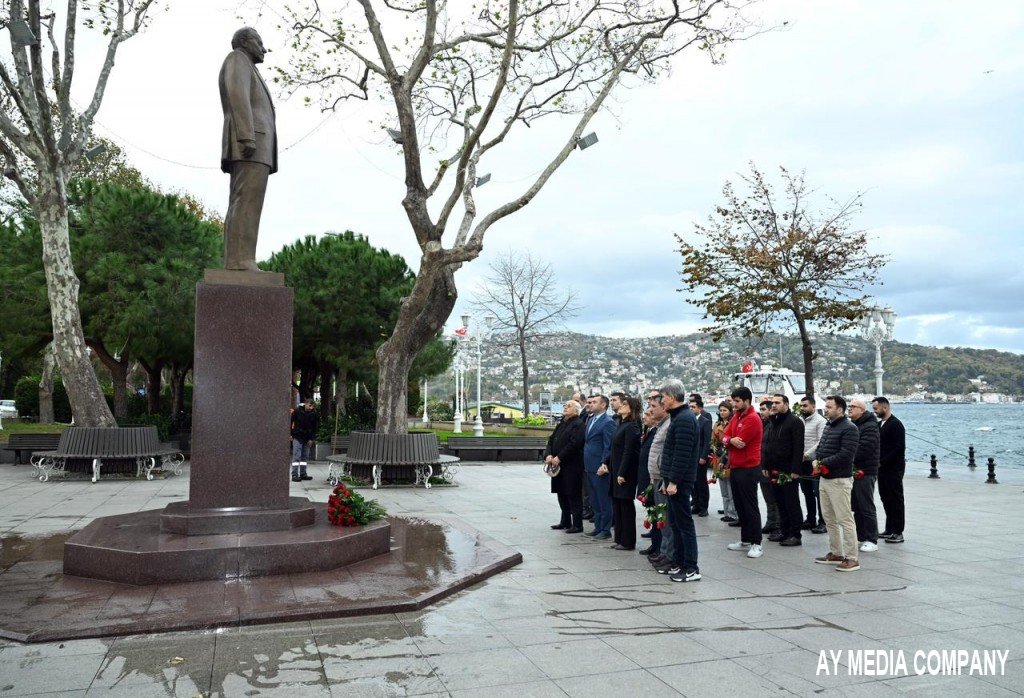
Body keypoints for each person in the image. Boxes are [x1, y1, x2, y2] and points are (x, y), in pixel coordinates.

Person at [220, 27, 277, 272]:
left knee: (249, 202)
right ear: (244, 42)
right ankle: (239, 260)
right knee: (245, 201)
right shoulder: (237, 59)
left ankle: (244, 258)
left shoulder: (249, 66)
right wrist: (246, 137)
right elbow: (238, 95)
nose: (264, 49)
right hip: (251, 144)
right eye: (259, 42)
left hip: (259, 145)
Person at [657, 380, 701, 582]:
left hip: (680, 481)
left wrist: (673, 481)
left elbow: (682, 454)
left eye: (663, 397)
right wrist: (666, 479)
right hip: (673, 479)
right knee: (675, 523)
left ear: (672, 397)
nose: (661, 401)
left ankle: (691, 567)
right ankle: (679, 562)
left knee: (684, 525)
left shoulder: (684, 419)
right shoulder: (679, 417)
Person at [812, 395, 861, 572]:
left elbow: (846, 455)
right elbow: (822, 447)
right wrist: (816, 459)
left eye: (829, 407)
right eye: (826, 406)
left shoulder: (850, 428)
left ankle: (852, 558)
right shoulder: (829, 425)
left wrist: (822, 463)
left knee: (844, 519)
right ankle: (836, 553)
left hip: (839, 480)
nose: (826, 410)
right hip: (825, 478)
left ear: (840, 409)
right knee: (829, 518)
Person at [723, 387, 765, 559]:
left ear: (747, 401)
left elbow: (741, 442)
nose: (734, 404)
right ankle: (746, 539)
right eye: (733, 400)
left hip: (748, 468)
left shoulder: (753, 419)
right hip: (735, 467)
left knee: (750, 506)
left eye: (737, 401)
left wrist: (730, 440)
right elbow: (725, 436)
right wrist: (729, 440)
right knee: (740, 505)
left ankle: (757, 543)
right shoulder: (736, 417)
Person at [761, 394, 805, 546]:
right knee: (780, 502)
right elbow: (768, 445)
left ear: (786, 404)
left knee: (791, 503)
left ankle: (795, 535)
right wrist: (765, 465)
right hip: (774, 469)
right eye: (773, 403)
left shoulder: (795, 422)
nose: (773, 405)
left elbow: (798, 447)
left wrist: (796, 469)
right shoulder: (773, 421)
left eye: (777, 402)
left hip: (788, 470)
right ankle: (785, 532)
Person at [645, 391, 676, 570]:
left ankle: (669, 555)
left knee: (667, 520)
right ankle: (664, 552)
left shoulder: (669, 424)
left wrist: (666, 478)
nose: (651, 410)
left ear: (664, 408)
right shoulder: (661, 425)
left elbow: (668, 454)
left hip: (663, 477)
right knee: (662, 518)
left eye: (654, 406)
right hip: (656, 476)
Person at [545, 401, 586, 533]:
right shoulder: (561, 423)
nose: (565, 408)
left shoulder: (578, 424)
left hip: (571, 465)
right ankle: (565, 521)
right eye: (565, 406)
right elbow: (551, 440)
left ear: (577, 410)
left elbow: (574, 444)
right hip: (557, 465)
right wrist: (548, 455)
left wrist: (559, 457)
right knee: (561, 493)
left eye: (569, 406)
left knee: (573, 494)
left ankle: (577, 524)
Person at [608, 396, 642, 551]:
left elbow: (629, 451)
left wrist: (622, 472)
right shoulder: (622, 424)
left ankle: (628, 541)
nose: (621, 405)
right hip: (616, 469)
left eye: (624, 404)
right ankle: (619, 538)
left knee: (625, 505)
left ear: (631, 408)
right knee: (618, 505)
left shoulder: (632, 426)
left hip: (625, 472)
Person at [873, 396, 906, 543]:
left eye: (876, 408)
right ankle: (890, 528)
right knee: (885, 498)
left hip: (893, 468)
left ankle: (898, 531)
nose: (874, 411)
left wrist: (882, 461)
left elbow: (899, 448)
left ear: (885, 407)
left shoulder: (896, 424)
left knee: (895, 499)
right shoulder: (879, 424)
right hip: (881, 468)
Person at [848, 399, 880, 553]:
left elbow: (865, 448)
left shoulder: (870, 426)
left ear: (861, 409)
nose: (849, 409)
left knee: (866, 505)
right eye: (849, 406)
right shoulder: (854, 424)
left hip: (866, 471)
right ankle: (861, 536)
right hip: (854, 470)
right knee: (857, 506)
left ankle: (872, 539)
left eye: (853, 407)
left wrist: (847, 457)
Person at [583, 395, 616, 540]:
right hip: (589, 465)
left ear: (603, 405)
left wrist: (604, 463)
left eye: (594, 402)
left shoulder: (608, 422)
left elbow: (608, 446)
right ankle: (598, 526)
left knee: (603, 499)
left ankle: (605, 529)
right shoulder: (591, 419)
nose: (590, 404)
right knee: (594, 499)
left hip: (599, 467)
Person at [799, 396, 827, 534]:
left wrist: (806, 454)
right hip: (802, 462)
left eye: (805, 406)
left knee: (818, 493)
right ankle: (810, 519)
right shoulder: (800, 420)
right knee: (807, 492)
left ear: (813, 406)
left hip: (814, 462)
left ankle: (823, 521)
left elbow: (821, 442)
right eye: (801, 406)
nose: (802, 408)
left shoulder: (820, 421)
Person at [712, 400, 738, 523]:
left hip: (728, 456)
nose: (722, 412)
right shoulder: (717, 424)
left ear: (730, 411)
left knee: (730, 488)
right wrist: (715, 450)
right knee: (723, 488)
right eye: (720, 410)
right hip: (718, 456)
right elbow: (713, 440)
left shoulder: (733, 423)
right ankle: (727, 512)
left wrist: (724, 456)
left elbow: (730, 442)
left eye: (725, 410)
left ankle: (733, 513)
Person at [689, 394, 713, 518]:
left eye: (693, 407)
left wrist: (703, 456)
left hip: (700, 457)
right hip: (691, 457)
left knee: (701, 482)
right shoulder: (690, 420)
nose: (691, 409)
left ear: (699, 408)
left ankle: (704, 507)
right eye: (690, 407)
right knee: (693, 482)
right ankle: (696, 504)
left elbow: (707, 441)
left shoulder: (705, 421)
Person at [290, 398, 318, 482]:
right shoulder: (297, 411)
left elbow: (314, 427)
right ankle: (294, 475)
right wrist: (291, 434)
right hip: (298, 436)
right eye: (310, 405)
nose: (311, 408)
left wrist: (311, 439)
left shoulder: (313, 413)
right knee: (296, 456)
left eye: (312, 406)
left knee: (304, 457)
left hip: (307, 438)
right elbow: (290, 422)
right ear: (305, 404)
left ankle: (303, 474)